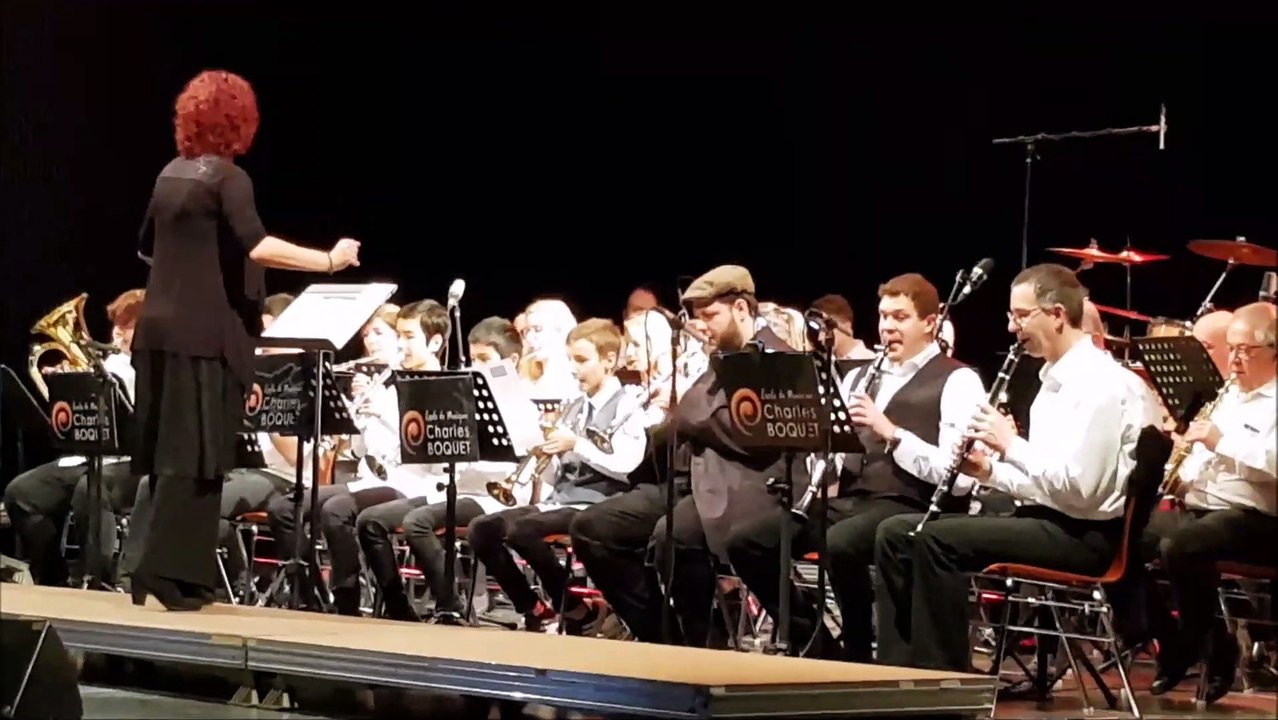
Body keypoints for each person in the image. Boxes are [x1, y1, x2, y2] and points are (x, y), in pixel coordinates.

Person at [129, 69, 360, 611]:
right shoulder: (229, 179)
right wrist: (328, 260)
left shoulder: (171, 173)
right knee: (200, 455)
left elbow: (145, 247)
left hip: (157, 330)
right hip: (204, 334)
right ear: (239, 123)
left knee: (170, 454)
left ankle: (165, 574)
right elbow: (257, 247)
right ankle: (167, 575)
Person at [871, 263, 1160, 672]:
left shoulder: (1101, 385)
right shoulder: (1054, 381)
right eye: (1012, 315)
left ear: (1058, 315)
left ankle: (944, 679)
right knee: (897, 532)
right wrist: (987, 471)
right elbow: (1044, 483)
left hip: (1086, 537)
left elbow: (1080, 490)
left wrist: (1011, 445)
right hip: (1053, 518)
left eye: (1021, 315)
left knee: (931, 541)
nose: (1012, 327)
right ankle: (896, 669)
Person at [726, 274, 987, 660]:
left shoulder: (957, 379)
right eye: (883, 317)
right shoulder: (862, 376)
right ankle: (818, 643)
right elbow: (836, 456)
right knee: (747, 541)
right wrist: (822, 448)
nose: (888, 327)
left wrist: (892, 433)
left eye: (900, 317)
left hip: (913, 504)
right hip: (855, 500)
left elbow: (959, 477)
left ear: (930, 323)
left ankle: (859, 651)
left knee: (842, 543)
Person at [467, 319, 647, 634]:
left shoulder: (627, 404)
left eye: (581, 360)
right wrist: (544, 453)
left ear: (608, 360)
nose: (574, 370)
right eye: (571, 361)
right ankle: (543, 608)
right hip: (562, 499)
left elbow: (627, 464)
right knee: (482, 529)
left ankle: (575, 607)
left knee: (523, 531)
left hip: (601, 503)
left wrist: (576, 443)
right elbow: (557, 472)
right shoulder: (575, 406)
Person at [1139, 302, 1277, 704]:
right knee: (1122, 537)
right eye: (1231, 348)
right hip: (1202, 508)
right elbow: (1203, 450)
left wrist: (1220, 442)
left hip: (1257, 517)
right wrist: (1182, 470)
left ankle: (1195, 648)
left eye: (1245, 350)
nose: (1234, 359)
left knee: (1183, 546)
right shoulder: (1229, 393)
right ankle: (1199, 643)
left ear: (1274, 352)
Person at [3, 289, 145, 587]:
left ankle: (98, 579)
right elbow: (71, 423)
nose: (118, 332)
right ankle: (53, 577)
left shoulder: (153, 368)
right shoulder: (107, 362)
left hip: (131, 462)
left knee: (89, 489)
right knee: (21, 493)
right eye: (116, 324)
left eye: (127, 325)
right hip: (85, 458)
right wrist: (65, 385)